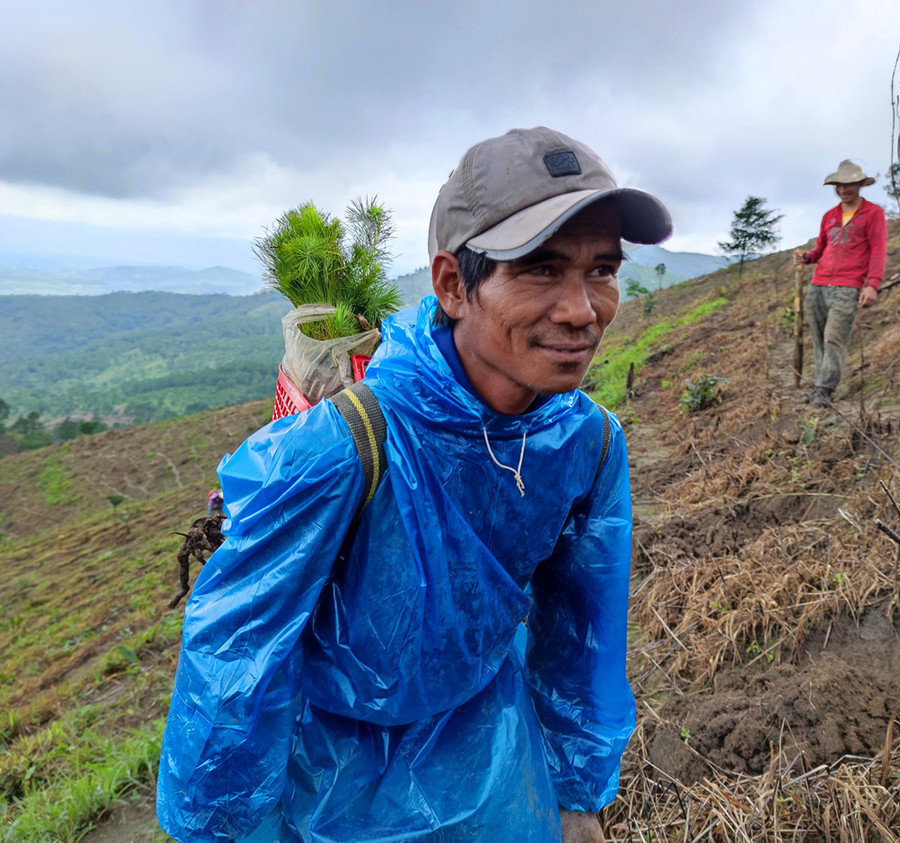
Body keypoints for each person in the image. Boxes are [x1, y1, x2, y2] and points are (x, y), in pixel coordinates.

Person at [157, 127, 672, 843]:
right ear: (453, 285)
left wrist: (578, 794)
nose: (582, 309)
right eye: (541, 270)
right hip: (334, 792)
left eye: (601, 270)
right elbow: (236, 664)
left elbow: (580, 636)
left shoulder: (586, 443)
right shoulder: (346, 447)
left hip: (499, 770)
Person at [793, 159, 887, 405]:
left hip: (848, 286)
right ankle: (819, 386)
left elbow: (878, 250)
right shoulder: (830, 216)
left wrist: (872, 284)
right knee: (819, 338)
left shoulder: (873, 213)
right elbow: (822, 248)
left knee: (835, 338)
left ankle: (825, 389)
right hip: (818, 285)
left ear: (859, 185)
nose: (843, 190)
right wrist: (807, 257)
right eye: (838, 185)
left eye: (849, 185)